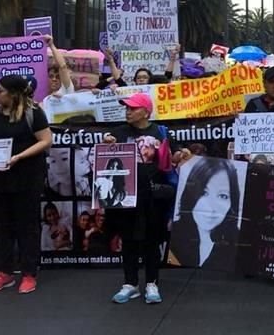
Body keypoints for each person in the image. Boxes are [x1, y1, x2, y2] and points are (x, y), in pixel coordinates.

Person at [0, 74, 52, 295]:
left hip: (27, 177)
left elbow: (46, 140)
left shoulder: (34, 113)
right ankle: (4, 272)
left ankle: (29, 272)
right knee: (3, 226)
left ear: (13, 93)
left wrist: (19, 156)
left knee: (27, 226)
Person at [102, 93, 175, 304]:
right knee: (129, 241)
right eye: (126, 108)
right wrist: (107, 143)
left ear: (146, 111)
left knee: (152, 241)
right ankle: (130, 283)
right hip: (125, 197)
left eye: (132, 108)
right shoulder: (118, 132)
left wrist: (181, 154)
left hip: (152, 197)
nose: (128, 111)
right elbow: (106, 158)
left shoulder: (160, 132)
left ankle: (152, 283)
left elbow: (174, 156)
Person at [168, 157, 241, 270]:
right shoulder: (176, 235)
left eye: (223, 196)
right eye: (204, 193)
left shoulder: (237, 243)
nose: (211, 207)